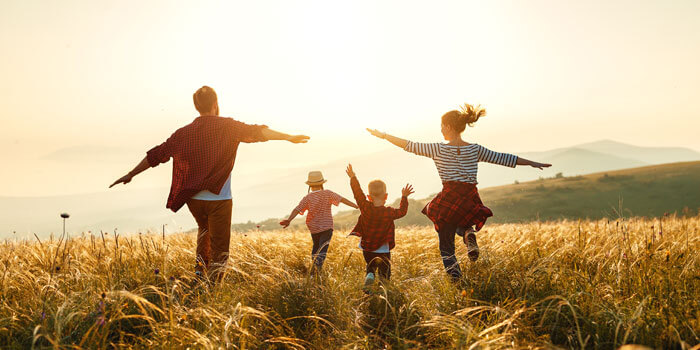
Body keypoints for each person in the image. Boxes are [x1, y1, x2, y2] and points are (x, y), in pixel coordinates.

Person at [109, 86, 309, 281]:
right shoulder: (229, 127)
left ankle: (199, 274)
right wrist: (288, 137)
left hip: (193, 199)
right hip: (219, 199)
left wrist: (131, 173)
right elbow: (258, 132)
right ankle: (213, 288)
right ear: (215, 104)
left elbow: (157, 155)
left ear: (197, 106)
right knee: (220, 246)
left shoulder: (183, 133)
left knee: (204, 232)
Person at [366, 103, 551, 282]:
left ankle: (457, 280)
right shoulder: (475, 149)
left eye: (441, 126)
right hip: (470, 197)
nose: (440, 130)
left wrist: (383, 136)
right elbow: (503, 158)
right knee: (461, 220)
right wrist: (533, 163)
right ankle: (467, 233)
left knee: (446, 245)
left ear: (447, 126)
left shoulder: (438, 148)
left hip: (449, 197)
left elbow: (408, 145)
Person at [345, 164, 413, 292]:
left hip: (367, 247)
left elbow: (357, 193)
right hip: (383, 248)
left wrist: (353, 177)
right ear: (386, 196)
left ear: (369, 197)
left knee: (370, 266)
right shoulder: (389, 212)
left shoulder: (365, 206)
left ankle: (370, 277)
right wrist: (404, 197)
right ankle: (383, 289)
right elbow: (402, 212)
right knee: (384, 271)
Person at [279, 171, 358, 273]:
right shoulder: (328, 193)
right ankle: (316, 270)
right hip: (327, 227)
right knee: (323, 249)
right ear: (322, 183)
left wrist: (289, 220)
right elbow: (342, 199)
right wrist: (356, 205)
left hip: (314, 228)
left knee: (316, 247)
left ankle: (313, 270)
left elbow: (297, 209)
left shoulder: (307, 198)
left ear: (310, 186)